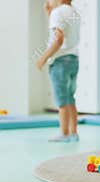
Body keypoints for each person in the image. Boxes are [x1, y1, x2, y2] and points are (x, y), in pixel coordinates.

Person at [37, 0, 80, 142]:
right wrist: (49, 14)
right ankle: (73, 133)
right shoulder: (73, 11)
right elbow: (64, 30)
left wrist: (43, 57)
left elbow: (59, 38)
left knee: (61, 100)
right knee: (70, 98)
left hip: (60, 61)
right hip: (73, 59)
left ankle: (64, 133)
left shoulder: (57, 12)